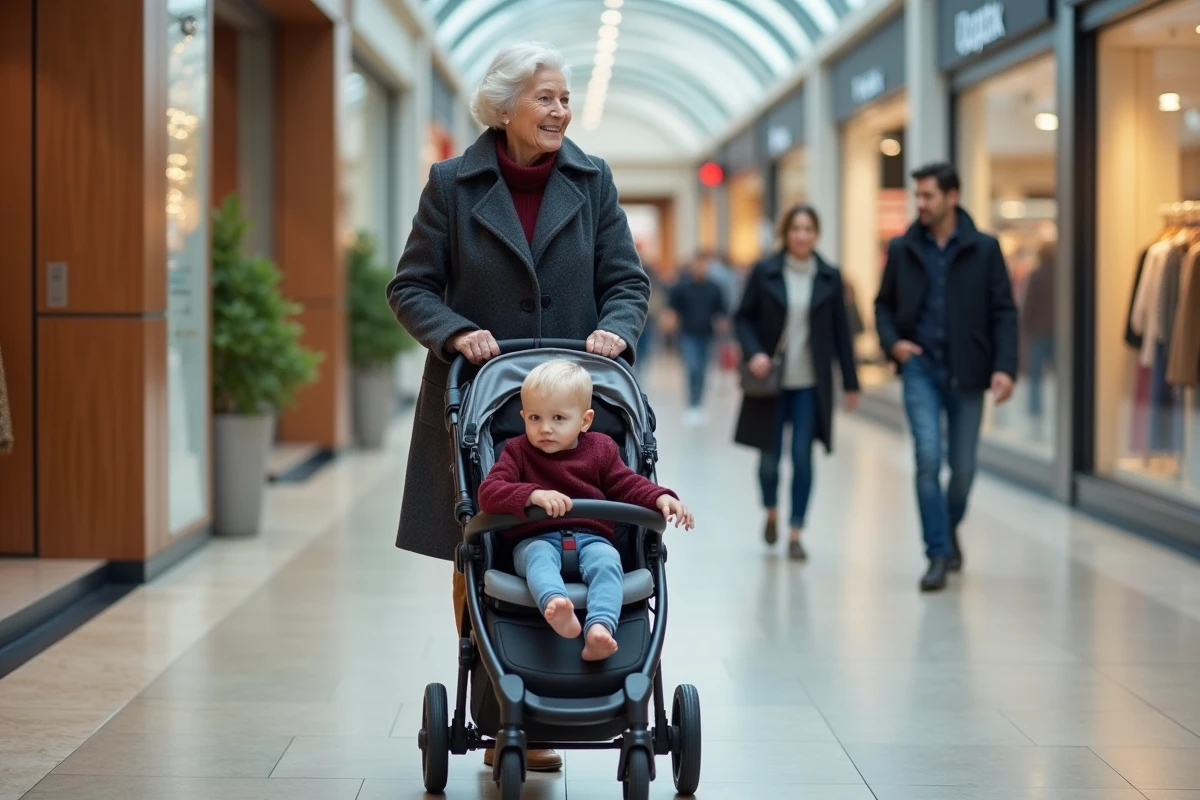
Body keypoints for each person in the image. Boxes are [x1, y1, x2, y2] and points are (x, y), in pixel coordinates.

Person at [386, 42, 650, 771]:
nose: (562, 110)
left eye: (565, 98)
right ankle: (508, 712)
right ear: (505, 109)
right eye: (546, 98)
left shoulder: (592, 181)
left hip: (575, 397)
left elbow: (628, 282)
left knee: (587, 542)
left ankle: (566, 689)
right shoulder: (451, 184)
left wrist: (616, 330)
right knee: (484, 544)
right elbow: (411, 288)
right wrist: (457, 332)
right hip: (482, 399)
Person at [478, 360, 694, 661]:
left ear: (585, 420)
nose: (545, 428)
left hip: (593, 539)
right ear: (523, 416)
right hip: (535, 539)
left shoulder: (602, 450)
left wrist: (661, 498)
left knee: (608, 564)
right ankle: (556, 604)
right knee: (539, 561)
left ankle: (599, 629)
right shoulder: (516, 452)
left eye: (558, 418)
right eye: (535, 418)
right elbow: (488, 494)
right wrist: (532, 494)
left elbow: (628, 484)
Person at [874, 163, 1018, 592]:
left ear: (951, 197)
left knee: (964, 469)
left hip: (969, 371)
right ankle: (937, 552)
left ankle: (947, 524)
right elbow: (883, 305)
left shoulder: (985, 248)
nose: (920, 203)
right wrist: (893, 344)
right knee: (928, 460)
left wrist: (1005, 367)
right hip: (920, 369)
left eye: (928, 196)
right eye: (917, 196)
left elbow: (1004, 311)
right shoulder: (903, 248)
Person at [734, 205, 860, 560]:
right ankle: (772, 511)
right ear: (786, 234)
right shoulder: (765, 271)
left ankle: (796, 532)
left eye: (808, 229)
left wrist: (851, 382)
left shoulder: (829, 277)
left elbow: (841, 333)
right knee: (770, 460)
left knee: (803, 458)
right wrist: (754, 352)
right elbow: (743, 318)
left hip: (810, 384)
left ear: (816, 234)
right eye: (796, 229)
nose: (802, 235)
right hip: (770, 382)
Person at [669, 254, 729, 424]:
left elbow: (722, 310)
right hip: (688, 334)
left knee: (703, 370)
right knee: (692, 367)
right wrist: (670, 322)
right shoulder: (683, 287)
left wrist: (723, 324)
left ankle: (699, 404)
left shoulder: (715, 288)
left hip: (707, 335)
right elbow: (673, 308)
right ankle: (691, 403)